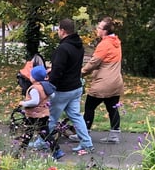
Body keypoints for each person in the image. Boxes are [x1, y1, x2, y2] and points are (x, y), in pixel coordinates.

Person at [47, 18, 94, 155]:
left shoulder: (63, 48)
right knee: (76, 116)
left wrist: (50, 85)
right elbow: (71, 66)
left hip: (63, 89)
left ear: (62, 30)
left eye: (58, 30)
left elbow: (58, 70)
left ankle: (43, 141)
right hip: (76, 87)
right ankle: (86, 143)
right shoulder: (78, 46)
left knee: (51, 116)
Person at [82, 17, 123, 144]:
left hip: (103, 83)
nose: (97, 29)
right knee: (112, 108)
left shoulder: (104, 44)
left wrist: (81, 72)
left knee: (89, 107)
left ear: (104, 31)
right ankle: (114, 135)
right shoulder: (116, 42)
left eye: (99, 28)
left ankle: (84, 133)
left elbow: (94, 62)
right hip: (116, 82)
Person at [22, 64, 63, 159]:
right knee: (42, 133)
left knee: (32, 132)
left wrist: (24, 103)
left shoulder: (34, 89)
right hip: (44, 113)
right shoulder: (45, 86)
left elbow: (34, 102)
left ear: (34, 78)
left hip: (35, 115)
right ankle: (57, 150)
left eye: (31, 75)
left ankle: (22, 149)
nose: (30, 77)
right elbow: (52, 96)